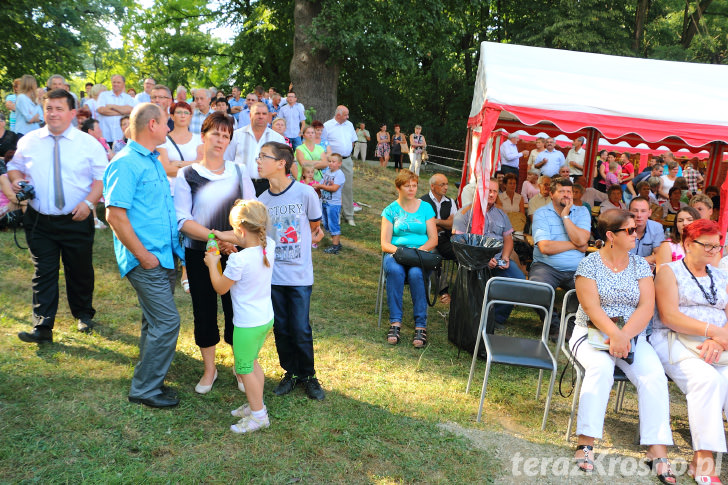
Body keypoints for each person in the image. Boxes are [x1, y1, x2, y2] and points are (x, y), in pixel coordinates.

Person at [569, 209, 674, 482]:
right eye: (629, 230)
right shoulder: (589, 264)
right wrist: (615, 334)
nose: (635, 234)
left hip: (631, 336)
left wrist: (624, 335)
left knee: (654, 376)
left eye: (636, 229)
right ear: (610, 236)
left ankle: (657, 449)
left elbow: (646, 306)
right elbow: (591, 307)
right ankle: (586, 442)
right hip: (591, 332)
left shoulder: (640, 265)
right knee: (601, 369)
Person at [8, 89, 106, 343]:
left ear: (72, 113)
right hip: (40, 219)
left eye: (59, 108)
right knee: (44, 271)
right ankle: (42, 326)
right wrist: (18, 182)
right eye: (49, 108)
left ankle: (83, 314)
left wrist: (88, 203)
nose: (53, 114)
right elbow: (14, 168)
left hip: (76, 217)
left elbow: (101, 179)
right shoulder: (29, 141)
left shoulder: (88, 144)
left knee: (80, 269)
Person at [104, 102, 183, 408]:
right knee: (167, 322)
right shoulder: (125, 162)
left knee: (153, 322)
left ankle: (150, 377)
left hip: (164, 256)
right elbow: (115, 215)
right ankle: (145, 388)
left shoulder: (152, 160)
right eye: (166, 124)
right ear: (152, 125)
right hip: (145, 259)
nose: (168, 129)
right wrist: (143, 255)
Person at [175, 112, 256, 395]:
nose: (220, 140)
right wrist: (214, 237)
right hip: (199, 254)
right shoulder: (186, 174)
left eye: (226, 135)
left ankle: (239, 366)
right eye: (216, 134)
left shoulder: (238, 171)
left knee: (237, 311)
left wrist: (227, 238)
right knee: (204, 311)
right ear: (204, 135)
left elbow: (251, 215)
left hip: (236, 252)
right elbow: (183, 220)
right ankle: (210, 368)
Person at [652, 219, 728, 484]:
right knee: (708, 380)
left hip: (719, 344)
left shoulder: (721, 275)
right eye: (706, 245)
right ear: (687, 244)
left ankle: (700, 461)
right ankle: (705, 462)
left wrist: (718, 340)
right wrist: (713, 331)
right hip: (674, 340)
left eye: (716, 246)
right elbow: (670, 316)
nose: (712, 251)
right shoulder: (669, 272)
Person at [256, 141, 326, 400]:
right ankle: (290, 372)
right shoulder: (261, 201)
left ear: (281, 163)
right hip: (273, 278)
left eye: (264, 157)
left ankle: (308, 375)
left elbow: (314, 226)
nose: (259, 161)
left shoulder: (305, 193)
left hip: (299, 276)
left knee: (300, 327)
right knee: (282, 327)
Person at [206, 200, 275, 433]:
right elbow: (243, 238)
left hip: (247, 325)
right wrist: (219, 234)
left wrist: (212, 264)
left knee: (245, 368)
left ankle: (259, 416)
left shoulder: (238, 260)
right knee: (252, 362)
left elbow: (220, 288)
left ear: (241, 231)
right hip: (264, 319)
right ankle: (256, 404)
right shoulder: (269, 245)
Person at [381, 169, 437, 348]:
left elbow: (434, 239)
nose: (412, 189)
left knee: (415, 274)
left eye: (414, 186)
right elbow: (384, 243)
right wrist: (401, 253)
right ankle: (395, 322)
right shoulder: (390, 210)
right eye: (407, 186)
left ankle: (421, 325)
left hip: (420, 253)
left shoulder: (426, 208)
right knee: (396, 271)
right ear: (399, 188)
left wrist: (418, 252)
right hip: (397, 253)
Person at [530, 177, 591, 335]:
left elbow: (583, 239)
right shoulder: (541, 213)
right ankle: (554, 327)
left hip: (577, 268)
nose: (566, 195)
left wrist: (565, 217)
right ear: (551, 194)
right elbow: (545, 247)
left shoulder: (582, 212)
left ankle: (569, 326)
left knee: (589, 291)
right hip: (546, 266)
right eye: (561, 191)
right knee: (538, 289)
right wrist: (576, 245)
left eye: (569, 192)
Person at [225, 102, 286, 196]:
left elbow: (282, 166)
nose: (261, 116)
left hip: (269, 186)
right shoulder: (236, 136)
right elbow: (227, 160)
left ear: (269, 117)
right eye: (257, 113)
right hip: (240, 185)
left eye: (264, 114)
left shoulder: (278, 139)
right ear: (250, 115)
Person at [157, 101, 203, 199]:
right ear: (172, 116)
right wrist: (193, 165)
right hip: (171, 192)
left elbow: (202, 166)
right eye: (178, 112)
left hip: (193, 191)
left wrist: (179, 163)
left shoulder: (198, 139)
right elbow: (165, 169)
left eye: (186, 113)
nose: (183, 115)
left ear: (190, 117)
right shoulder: (163, 140)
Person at [322, 105, 357, 226]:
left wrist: (346, 152)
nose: (348, 117)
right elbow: (324, 143)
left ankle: (349, 215)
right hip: (332, 161)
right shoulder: (327, 126)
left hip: (346, 160)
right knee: (331, 188)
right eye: (346, 115)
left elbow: (353, 141)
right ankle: (332, 215)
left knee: (347, 188)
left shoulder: (349, 125)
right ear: (338, 115)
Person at [313, 153, 345, 254]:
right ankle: (337, 243)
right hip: (325, 202)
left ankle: (335, 246)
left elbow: (334, 188)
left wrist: (320, 186)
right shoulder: (327, 172)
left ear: (339, 163)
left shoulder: (339, 174)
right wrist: (316, 188)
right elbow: (321, 184)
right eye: (329, 161)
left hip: (334, 205)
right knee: (326, 224)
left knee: (333, 224)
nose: (331, 163)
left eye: (333, 162)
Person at [420, 173, 457, 260]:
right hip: (427, 239)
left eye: (447, 184)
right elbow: (424, 227)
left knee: (462, 254)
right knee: (429, 257)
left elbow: (454, 224)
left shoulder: (450, 202)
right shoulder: (422, 202)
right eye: (442, 185)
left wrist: (436, 221)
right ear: (432, 186)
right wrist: (446, 225)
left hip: (445, 239)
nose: (446, 187)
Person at [655, 206, 701, 271]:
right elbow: (662, 275)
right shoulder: (668, 245)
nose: (685, 223)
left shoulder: (705, 245)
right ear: (676, 225)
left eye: (690, 220)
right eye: (680, 221)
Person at [96, 75, 137, 147]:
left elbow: (130, 110)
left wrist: (112, 106)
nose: (115, 84)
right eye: (114, 82)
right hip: (106, 135)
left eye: (118, 82)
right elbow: (101, 110)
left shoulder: (127, 97)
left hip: (121, 136)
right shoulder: (104, 95)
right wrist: (122, 111)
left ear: (123, 84)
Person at [628, 196, 664, 268]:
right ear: (629, 212)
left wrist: (637, 262)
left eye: (643, 211)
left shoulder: (657, 227)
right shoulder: (621, 228)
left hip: (645, 269)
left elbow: (659, 255)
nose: (639, 215)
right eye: (635, 211)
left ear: (649, 213)